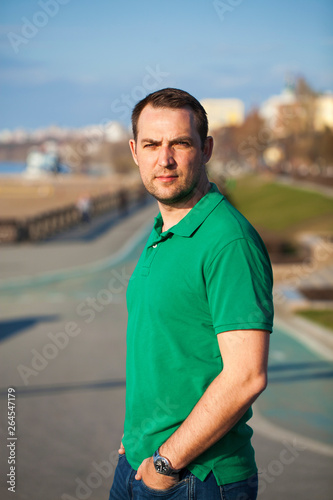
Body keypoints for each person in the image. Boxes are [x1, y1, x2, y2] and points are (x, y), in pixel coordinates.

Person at [109, 88, 274, 500]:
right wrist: (138, 439)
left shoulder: (228, 241)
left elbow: (246, 376)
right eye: (151, 144)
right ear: (134, 150)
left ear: (206, 149)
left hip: (194, 477)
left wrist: (165, 463)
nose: (164, 159)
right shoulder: (162, 229)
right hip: (140, 463)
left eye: (180, 143)